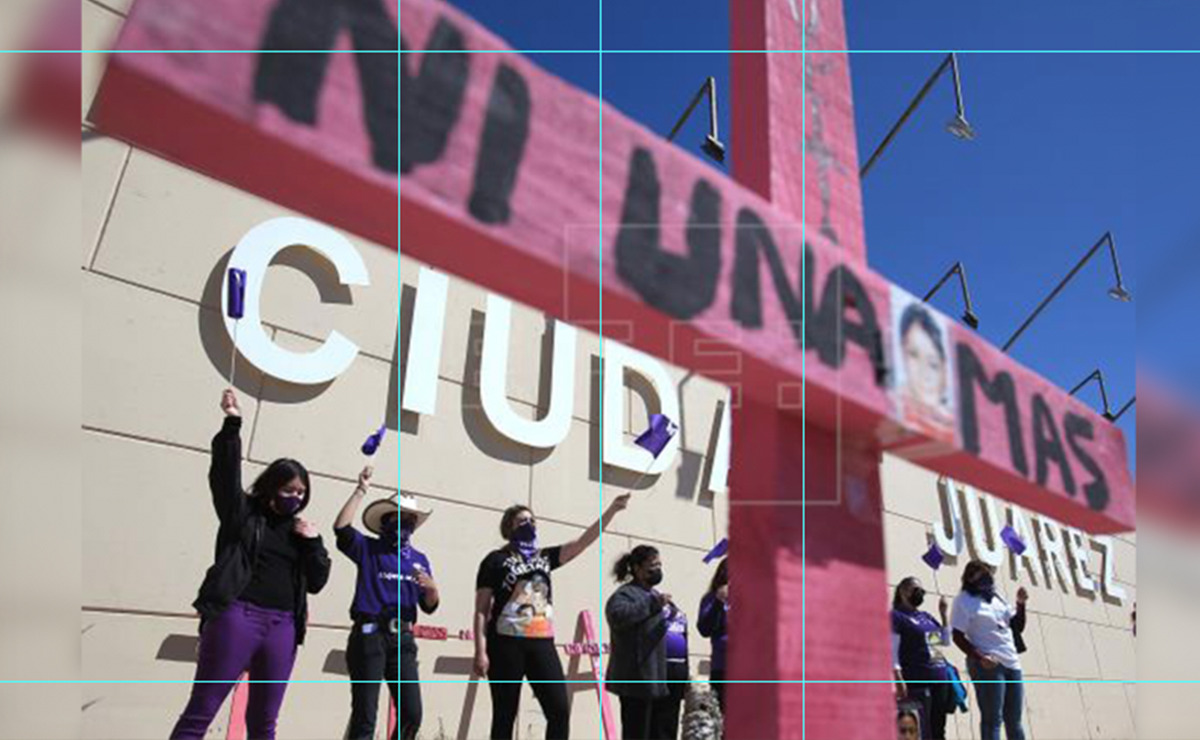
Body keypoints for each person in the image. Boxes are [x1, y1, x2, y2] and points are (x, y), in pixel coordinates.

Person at [170, 389, 332, 740]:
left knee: (264, 722)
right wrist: (232, 424)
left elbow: (318, 581)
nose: (296, 497)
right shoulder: (243, 514)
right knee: (201, 712)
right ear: (272, 487)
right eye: (289, 489)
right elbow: (224, 477)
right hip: (237, 616)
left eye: (301, 492)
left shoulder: (300, 530)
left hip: (284, 626)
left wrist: (314, 543)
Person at [473, 493, 632, 740]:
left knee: (559, 710)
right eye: (522, 521)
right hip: (505, 643)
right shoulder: (495, 560)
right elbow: (481, 610)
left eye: (532, 521)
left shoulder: (544, 557)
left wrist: (612, 509)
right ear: (509, 527)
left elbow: (582, 543)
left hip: (541, 642)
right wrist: (480, 651)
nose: (528, 524)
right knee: (504, 714)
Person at [334, 472, 439, 740]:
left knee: (412, 715)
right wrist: (360, 491)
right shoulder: (368, 548)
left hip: (402, 639)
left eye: (410, 520)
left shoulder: (419, 559)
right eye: (399, 518)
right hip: (370, 635)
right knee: (365, 717)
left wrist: (432, 590)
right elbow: (342, 529)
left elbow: (429, 605)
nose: (405, 525)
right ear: (385, 522)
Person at [605, 545, 688, 740]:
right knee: (638, 732)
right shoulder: (625, 595)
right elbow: (618, 616)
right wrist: (653, 604)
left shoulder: (656, 595)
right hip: (640, 680)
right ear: (637, 568)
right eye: (652, 565)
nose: (657, 569)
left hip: (667, 677)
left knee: (663, 733)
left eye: (659, 565)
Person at [950, 560, 1029, 740]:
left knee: (1015, 720)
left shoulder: (996, 597)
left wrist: (1021, 604)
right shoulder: (964, 600)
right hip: (988, 664)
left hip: (1011, 662)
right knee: (992, 720)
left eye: (989, 573)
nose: (988, 577)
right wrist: (980, 657)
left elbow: (1017, 626)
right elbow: (957, 636)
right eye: (982, 574)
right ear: (970, 578)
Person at [891, 577, 954, 740]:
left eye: (922, 591)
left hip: (939, 679)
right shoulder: (897, 616)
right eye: (915, 590)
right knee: (922, 731)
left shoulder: (925, 617)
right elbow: (892, 650)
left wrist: (943, 614)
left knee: (938, 730)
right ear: (903, 591)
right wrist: (898, 677)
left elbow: (944, 642)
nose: (919, 593)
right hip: (918, 680)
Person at [896, 302, 955, 440]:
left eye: (933, 365)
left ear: (945, 372)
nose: (924, 373)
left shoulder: (956, 430)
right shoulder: (892, 408)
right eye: (914, 355)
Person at [697, 557, 728, 713]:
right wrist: (718, 602)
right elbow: (705, 629)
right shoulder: (711, 599)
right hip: (723, 666)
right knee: (722, 714)